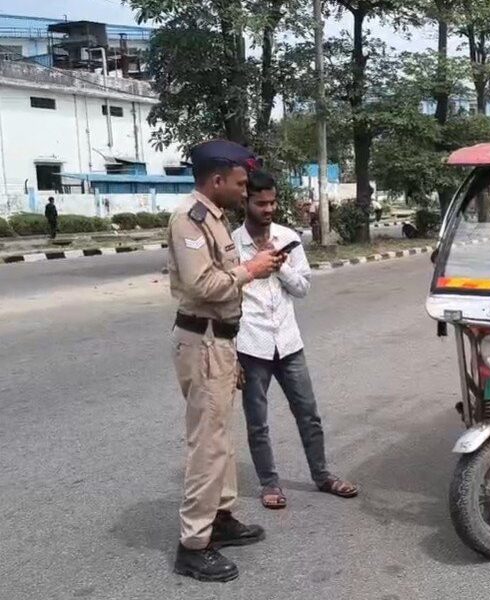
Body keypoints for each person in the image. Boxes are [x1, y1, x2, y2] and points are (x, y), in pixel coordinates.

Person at [167, 139, 284, 582]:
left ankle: (221, 517)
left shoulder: (216, 219)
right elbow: (201, 286)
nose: (243, 191)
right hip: (202, 342)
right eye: (238, 183)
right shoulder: (189, 221)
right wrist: (249, 271)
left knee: (222, 439)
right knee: (207, 444)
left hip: (220, 341)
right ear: (216, 180)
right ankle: (194, 544)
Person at [233, 170, 359, 510]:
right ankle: (269, 484)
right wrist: (231, 355)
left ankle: (323, 476)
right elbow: (225, 299)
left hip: (288, 343)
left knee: (308, 412)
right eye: (261, 203)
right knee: (257, 421)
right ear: (246, 202)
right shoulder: (231, 245)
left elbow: (303, 288)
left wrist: (280, 266)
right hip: (251, 344)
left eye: (272, 202)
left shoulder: (288, 238)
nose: (268, 208)